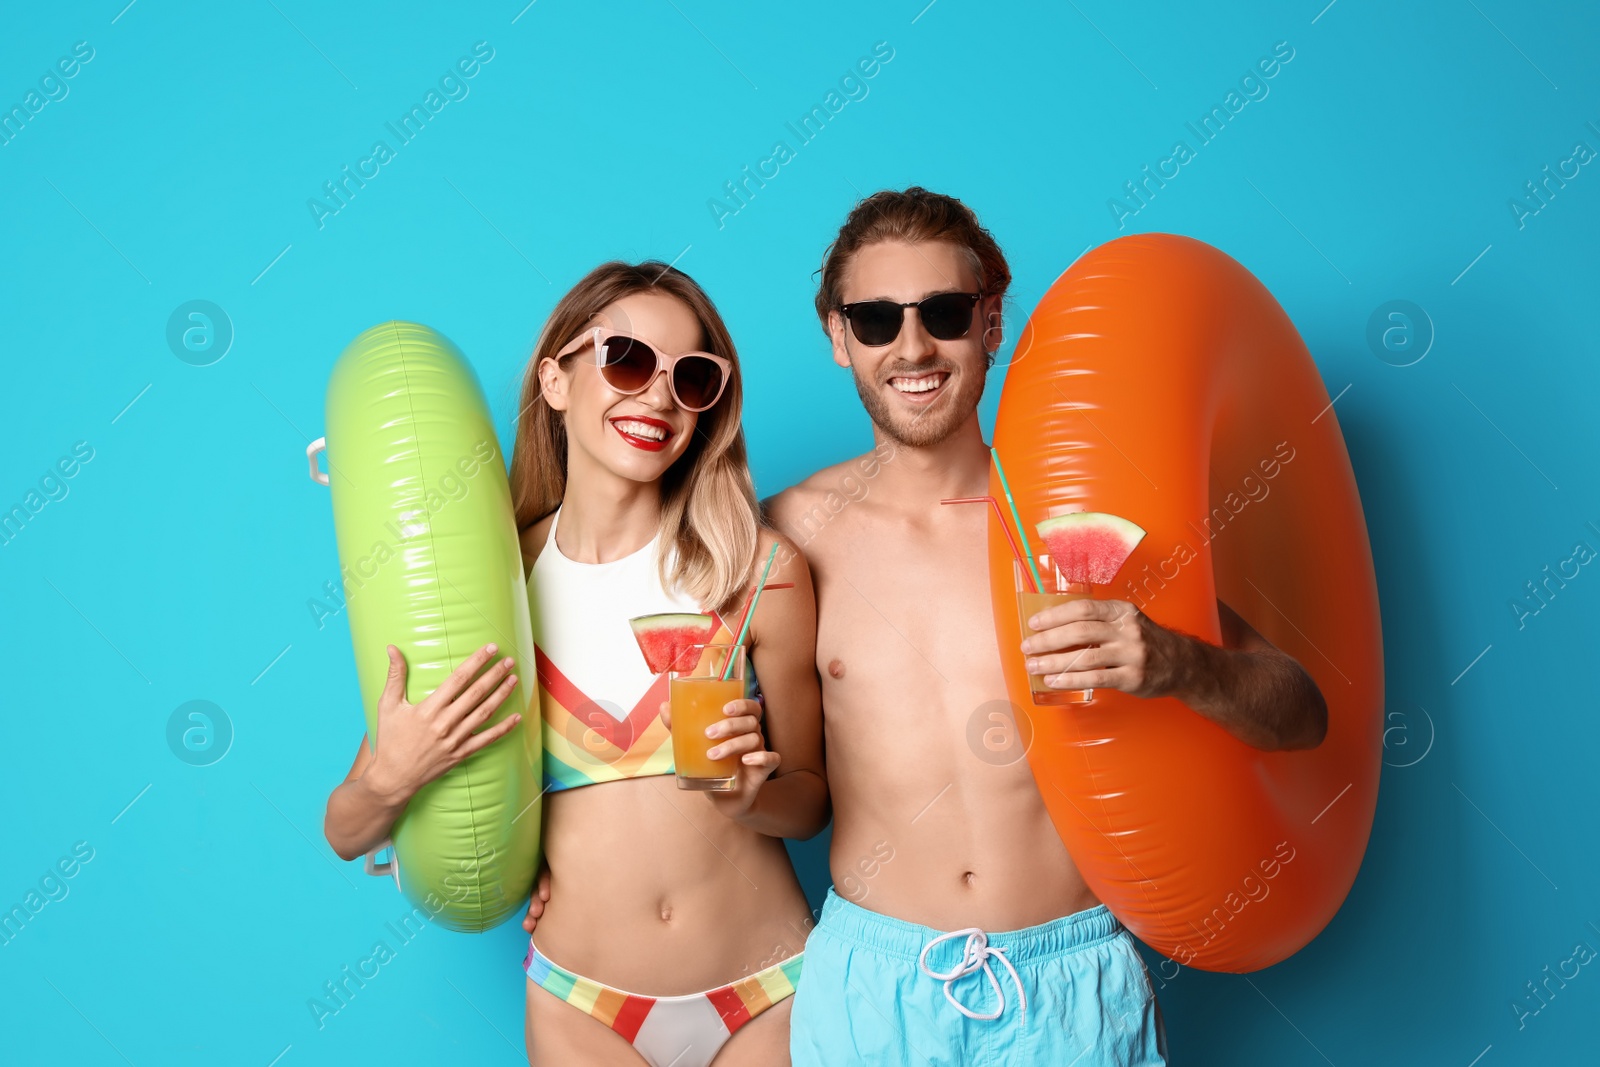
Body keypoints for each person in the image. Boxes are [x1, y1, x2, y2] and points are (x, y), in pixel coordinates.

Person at [769, 187, 1328, 1066]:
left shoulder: (1077, 530)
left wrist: (1177, 662)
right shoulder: (788, 536)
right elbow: (718, 748)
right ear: (838, 337)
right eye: (876, 319)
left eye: (944, 313)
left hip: (1069, 983)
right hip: (870, 985)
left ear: (992, 322)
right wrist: (562, 879)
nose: (912, 347)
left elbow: (1303, 712)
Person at [324, 261, 828, 1067]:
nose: (658, 397)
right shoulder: (490, 586)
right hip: (582, 1006)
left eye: (691, 378)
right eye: (626, 359)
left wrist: (753, 796)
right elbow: (345, 830)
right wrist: (392, 779)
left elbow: (810, 805)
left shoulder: (760, 571)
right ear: (556, 380)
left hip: (772, 990)